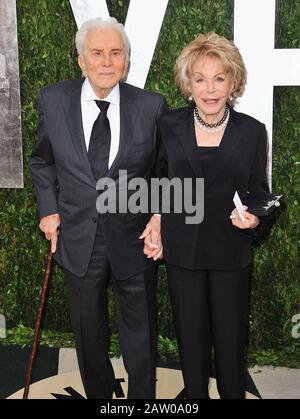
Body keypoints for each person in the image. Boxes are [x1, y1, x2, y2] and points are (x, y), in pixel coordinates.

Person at [30, 17, 167, 399]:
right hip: (77, 236)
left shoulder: (151, 106)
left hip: (134, 239)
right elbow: (42, 161)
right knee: (88, 332)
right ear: (81, 61)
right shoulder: (53, 100)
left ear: (126, 61)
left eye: (115, 53)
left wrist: (158, 218)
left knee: (139, 334)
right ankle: (101, 397)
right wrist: (48, 209)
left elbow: (164, 172)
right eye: (97, 53)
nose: (106, 62)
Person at [143, 32, 273, 399]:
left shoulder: (252, 131)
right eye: (200, 79)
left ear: (233, 82)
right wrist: (155, 219)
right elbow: (158, 181)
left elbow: (259, 194)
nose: (210, 89)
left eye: (219, 78)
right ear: (188, 84)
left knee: (231, 342)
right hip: (183, 250)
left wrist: (255, 218)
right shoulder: (168, 125)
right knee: (190, 338)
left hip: (231, 252)